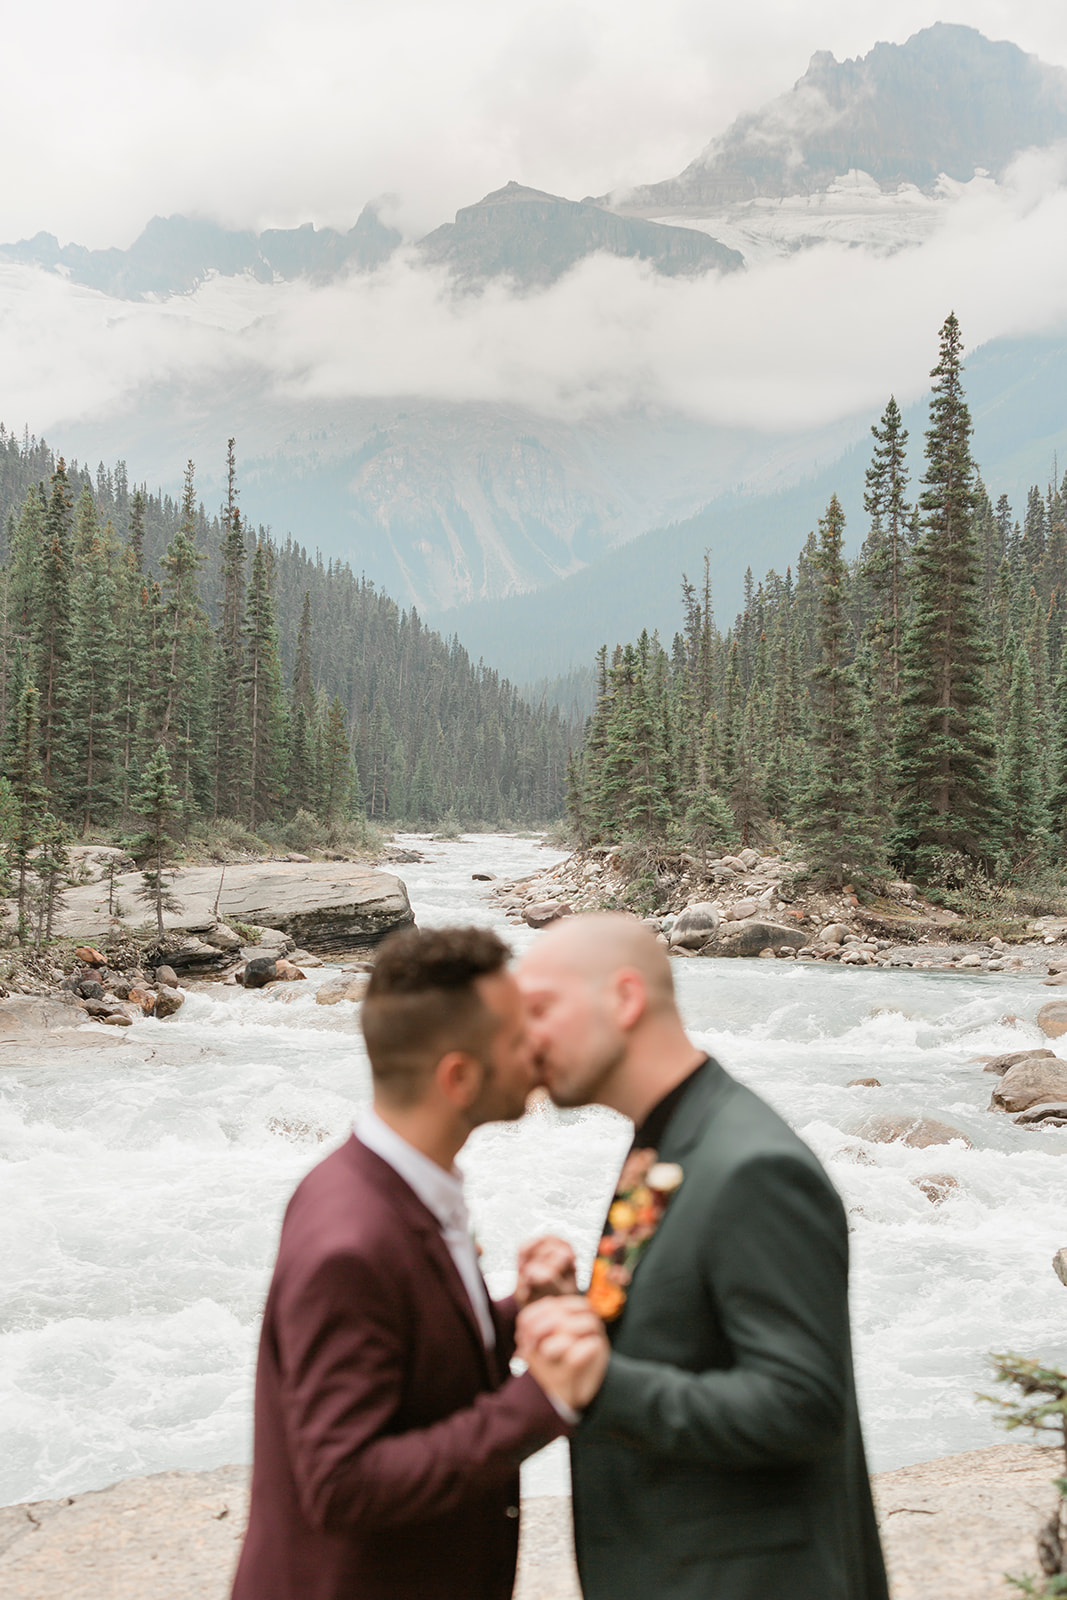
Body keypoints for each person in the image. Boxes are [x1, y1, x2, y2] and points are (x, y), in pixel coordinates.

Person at [515, 912, 890, 1600]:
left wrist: (601, 1383)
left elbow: (801, 1404)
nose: (524, 1038)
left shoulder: (753, 1167)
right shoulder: (672, 1134)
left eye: (539, 1009)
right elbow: (684, 1335)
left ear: (623, 1000)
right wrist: (576, 1318)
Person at [231, 924, 577, 1600]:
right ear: (458, 1077)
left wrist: (512, 1316)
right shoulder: (350, 1244)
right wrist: (543, 1398)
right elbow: (343, 1483)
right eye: (516, 1037)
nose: (539, 1047)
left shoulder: (386, 1181)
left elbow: (409, 1352)